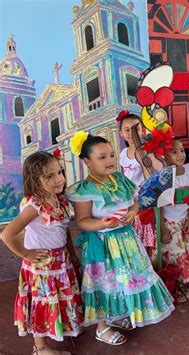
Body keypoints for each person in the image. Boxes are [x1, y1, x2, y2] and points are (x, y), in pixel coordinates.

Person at [67, 132, 174, 345]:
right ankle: (102, 327)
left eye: (111, 155)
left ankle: (117, 316)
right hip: (105, 245)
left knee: (127, 280)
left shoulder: (120, 179)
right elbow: (83, 221)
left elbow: (135, 202)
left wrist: (132, 214)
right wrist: (102, 224)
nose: (109, 161)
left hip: (127, 240)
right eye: (102, 157)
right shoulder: (85, 189)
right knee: (106, 284)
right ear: (87, 161)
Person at [1, 152, 83, 355]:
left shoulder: (60, 200)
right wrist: (26, 254)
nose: (59, 179)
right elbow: (7, 234)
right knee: (41, 305)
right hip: (42, 268)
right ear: (34, 180)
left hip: (60, 262)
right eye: (50, 176)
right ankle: (41, 348)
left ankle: (60, 329)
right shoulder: (34, 205)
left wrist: (71, 254)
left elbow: (63, 231)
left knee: (58, 299)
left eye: (60, 172)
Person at [161, 139, 189, 302]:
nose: (180, 155)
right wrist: (163, 228)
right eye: (174, 151)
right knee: (172, 256)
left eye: (182, 150)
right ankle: (173, 287)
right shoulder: (163, 176)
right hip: (169, 223)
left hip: (183, 220)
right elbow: (157, 205)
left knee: (184, 254)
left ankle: (183, 285)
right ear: (165, 155)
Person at [117, 110, 158, 264]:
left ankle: (149, 267)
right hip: (130, 201)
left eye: (136, 128)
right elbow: (124, 178)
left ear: (143, 130)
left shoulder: (148, 151)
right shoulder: (123, 153)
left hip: (145, 202)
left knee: (147, 238)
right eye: (127, 130)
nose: (131, 133)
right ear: (121, 133)